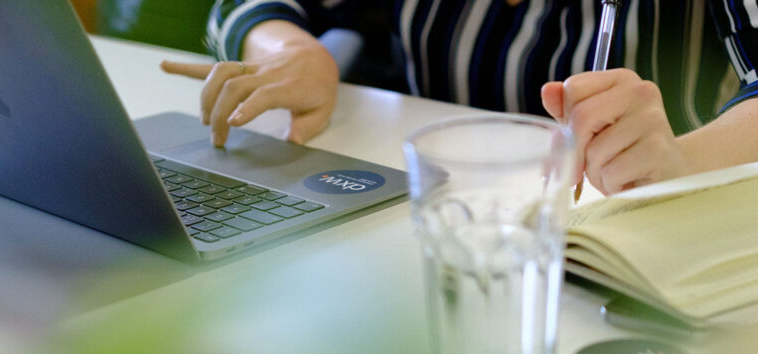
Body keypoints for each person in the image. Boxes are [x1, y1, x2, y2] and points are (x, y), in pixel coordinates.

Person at [161, 0, 758, 195]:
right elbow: (252, 5)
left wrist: (683, 164)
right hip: (425, 225)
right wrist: (290, 52)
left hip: (636, 255)